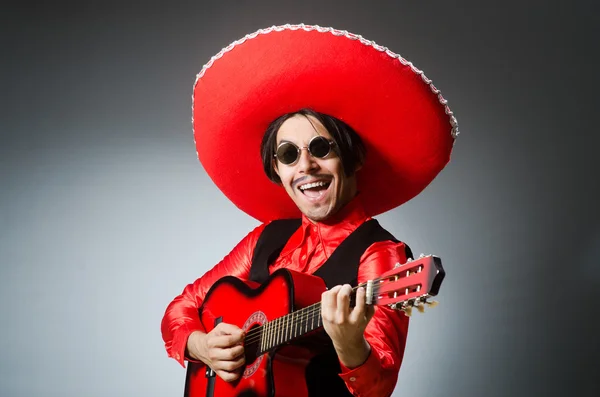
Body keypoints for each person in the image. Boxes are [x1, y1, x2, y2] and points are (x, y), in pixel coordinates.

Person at [161, 24, 458, 397]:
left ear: (351, 158)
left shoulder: (382, 256)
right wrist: (201, 346)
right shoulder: (266, 238)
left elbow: (378, 387)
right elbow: (182, 307)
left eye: (321, 148)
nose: (305, 166)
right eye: (288, 154)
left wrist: (349, 343)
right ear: (278, 170)